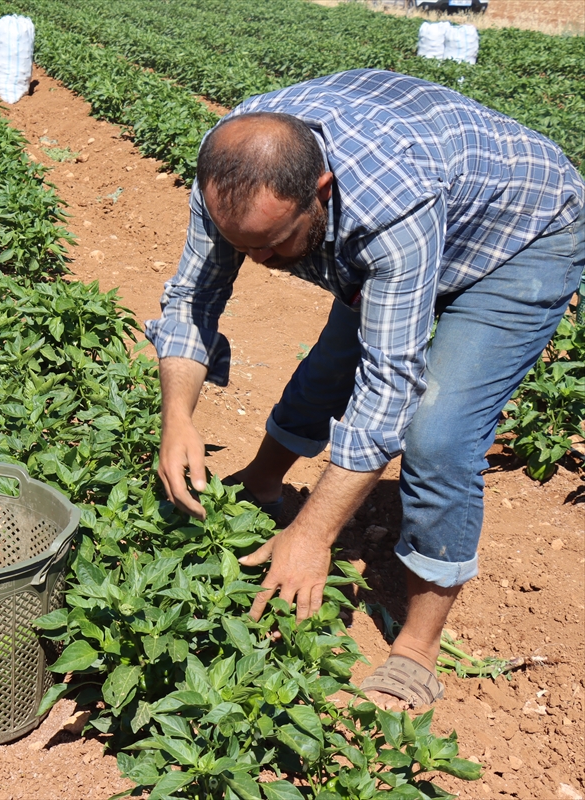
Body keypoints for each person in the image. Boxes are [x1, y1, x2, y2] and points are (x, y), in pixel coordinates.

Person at [147, 69, 584, 710]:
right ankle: (262, 484)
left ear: (320, 192)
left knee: (438, 435)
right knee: (330, 364)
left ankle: (416, 648)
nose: (261, 262)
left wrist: (314, 534)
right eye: (244, 246)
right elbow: (192, 296)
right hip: (429, 202)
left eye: (272, 246)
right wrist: (178, 416)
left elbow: (390, 385)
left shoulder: (390, 205)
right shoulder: (233, 169)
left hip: (521, 236)